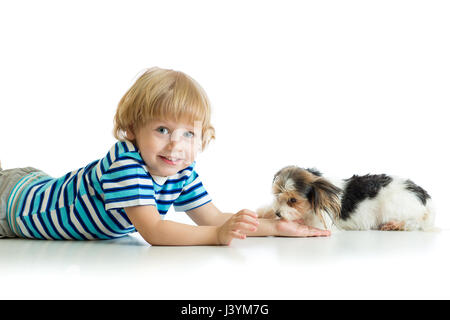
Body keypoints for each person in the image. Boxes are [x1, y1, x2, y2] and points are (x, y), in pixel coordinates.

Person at [0, 67, 330, 245]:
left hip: (35, 183)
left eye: (189, 133)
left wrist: (276, 228)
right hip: (13, 204)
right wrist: (216, 237)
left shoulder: (180, 171)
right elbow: (155, 232)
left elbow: (215, 219)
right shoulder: (127, 165)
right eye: (162, 130)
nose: (175, 145)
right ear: (131, 128)